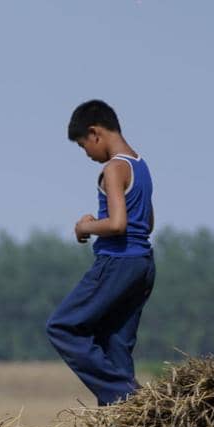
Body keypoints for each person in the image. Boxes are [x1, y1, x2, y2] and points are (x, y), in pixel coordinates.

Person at [46, 99, 156, 406]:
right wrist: (102, 222)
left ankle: (128, 398)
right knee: (115, 343)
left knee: (62, 326)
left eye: (83, 146)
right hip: (142, 263)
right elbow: (146, 221)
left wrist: (86, 228)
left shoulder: (114, 169)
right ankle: (125, 422)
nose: (86, 154)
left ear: (95, 133)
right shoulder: (140, 165)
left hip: (117, 262)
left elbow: (119, 224)